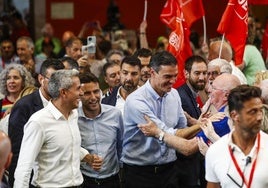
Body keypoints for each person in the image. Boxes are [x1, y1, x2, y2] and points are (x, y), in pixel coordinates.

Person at [122, 51, 198, 188]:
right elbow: (169, 133)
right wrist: (202, 125)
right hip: (140, 173)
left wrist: (195, 125)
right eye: (167, 76)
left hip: (170, 170)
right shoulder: (136, 101)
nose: (173, 81)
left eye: (175, 76)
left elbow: (183, 129)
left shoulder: (174, 94)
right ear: (152, 73)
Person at [14, 69, 84, 187]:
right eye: (78, 88)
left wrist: (86, 155)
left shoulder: (74, 114)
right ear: (63, 92)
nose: (82, 92)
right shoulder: (38, 122)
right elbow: (24, 167)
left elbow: (63, 145)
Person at [8, 59, 64, 187]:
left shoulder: (64, 103)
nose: (58, 85)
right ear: (40, 79)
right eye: (53, 80)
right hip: (33, 180)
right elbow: (17, 151)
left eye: (61, 80)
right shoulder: (24, 106)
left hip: (57, 178)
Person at [205, 85, 268, 188]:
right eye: (253, 112)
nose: (260, 117)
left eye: (260, 110)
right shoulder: (215, 152)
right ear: (235, 116)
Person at [78, 73, 123, 188]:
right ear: (78, 95)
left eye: (96, 91)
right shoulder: (73, 118)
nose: (93, 97)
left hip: (113, 180)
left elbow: (120, 146)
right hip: (84, 181)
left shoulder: (115, 114)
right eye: (87, 93)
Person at [176, 55, 208, 188]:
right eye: (197, 73)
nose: (202, 77)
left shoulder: (193, 93)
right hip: (185, 164)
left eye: (204, 73)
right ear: (186, 74)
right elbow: (185, 133)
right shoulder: (182, 97)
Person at [196, 74, 241, 156]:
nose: (209, 90)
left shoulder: (220, 118)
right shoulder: (235, 111)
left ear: (226, 96)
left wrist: (165, 135)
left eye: (213, 88)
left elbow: (187, 148)